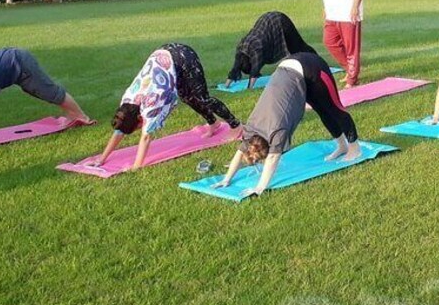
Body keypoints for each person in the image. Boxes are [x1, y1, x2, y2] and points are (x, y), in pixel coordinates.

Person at [214, 52, 360, 197]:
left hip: (311, 66)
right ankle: (342, 146)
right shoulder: (250, 130)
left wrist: (258, 188)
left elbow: (272, 159)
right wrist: (226, 179)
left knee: (334, 108)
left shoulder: (277, 131)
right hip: (291, 72)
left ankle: (354, 148)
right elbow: (240, 153)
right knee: (322, 110)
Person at [93, 43, 241, 170]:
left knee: (202, 97)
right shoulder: (127, 104)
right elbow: (119, 130)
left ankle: (236, 126)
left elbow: (145, 138)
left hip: (183, 56)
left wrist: (136, 166)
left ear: (139, 117)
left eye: (137, 126)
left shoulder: (151, 104)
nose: (140, 128)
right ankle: (213, 123)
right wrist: (102, 158)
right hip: (167, 60)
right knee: (187, 97)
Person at [225, 11, 317, 90]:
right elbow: (234, 69)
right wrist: (226, 86)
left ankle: (316, 59)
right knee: (296, 51)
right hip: (268, 21)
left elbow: (254, 72)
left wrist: (249, 88)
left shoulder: (257, 48)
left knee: (297, 48)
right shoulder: (241, 49)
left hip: (280, 21)